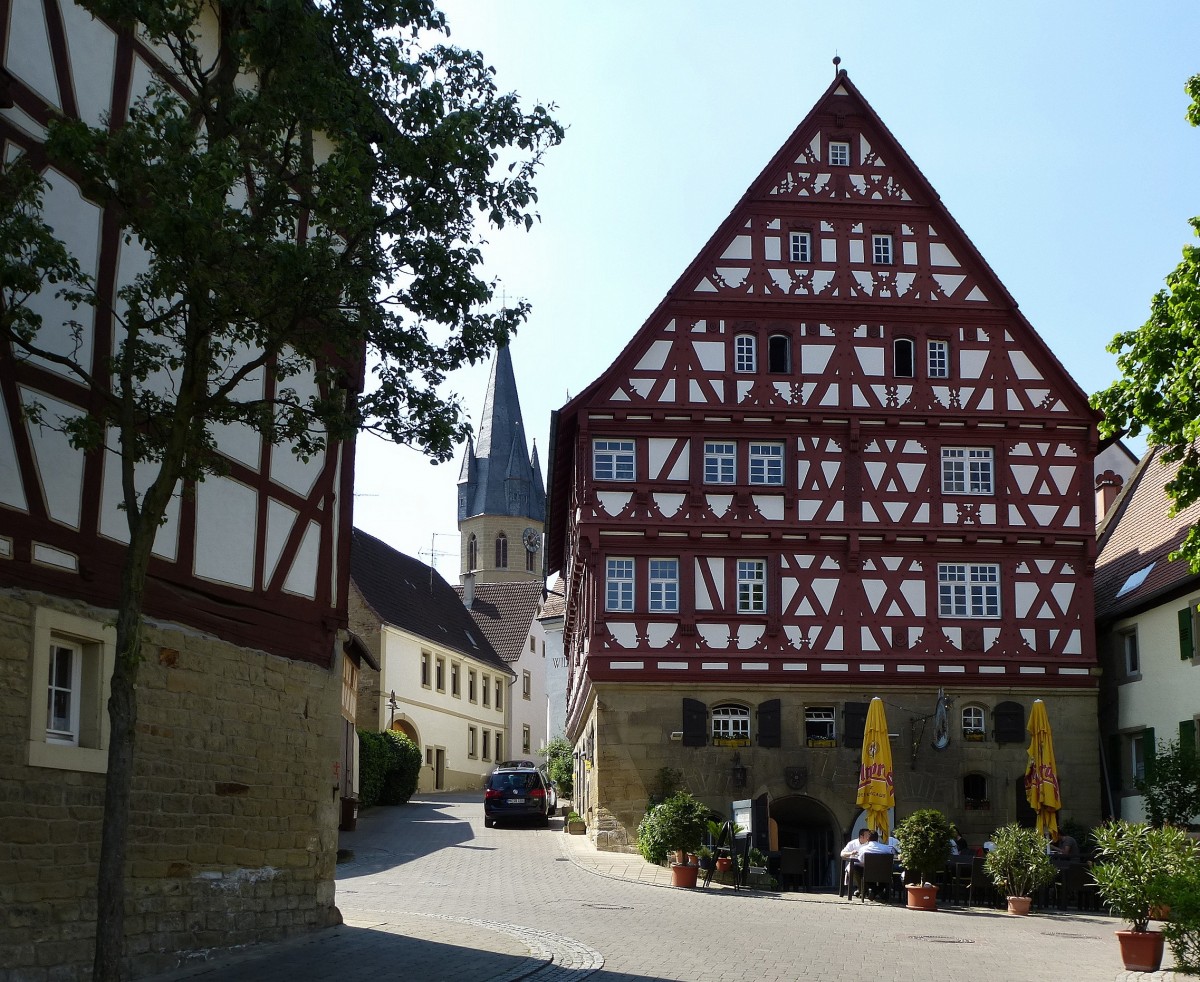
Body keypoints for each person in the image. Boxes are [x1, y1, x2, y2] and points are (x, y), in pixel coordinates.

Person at [841, 829, 870, 898]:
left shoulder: (870, 844)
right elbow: (842, 854)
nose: (869, 837)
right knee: (853, 869)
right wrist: (851, 853)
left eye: (869, 835)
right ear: (861, 836)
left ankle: (863, 891)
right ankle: (863, 890)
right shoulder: (852, 843)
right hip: (856, 865)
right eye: (867, 835)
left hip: (867, 866)